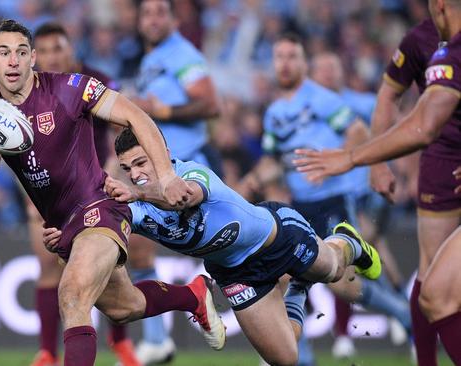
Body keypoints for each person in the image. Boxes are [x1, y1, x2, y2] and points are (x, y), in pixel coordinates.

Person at [0, 18, 225, 366]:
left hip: (100, 206)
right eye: (4, 53)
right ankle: (192, 295)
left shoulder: (70, 88)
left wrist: (166, 176)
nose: (13, 61)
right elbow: (2, 154)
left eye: (21, 52)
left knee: (71, 295)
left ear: (33, 58)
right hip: (63, 225)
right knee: (123, 306)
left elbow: (137, 117)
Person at [43, 127, 383, 366]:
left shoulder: (189, 172)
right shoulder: (135, 207)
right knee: (285, 356)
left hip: (277, 237)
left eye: (142, 162)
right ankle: (298, 286)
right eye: (129, 168)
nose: (136, 174)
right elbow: (103, 230)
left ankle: (348, 240)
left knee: (334, 269)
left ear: (162, 153)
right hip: (236, 272)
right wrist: (68, 238)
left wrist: (139, 192)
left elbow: (183, 198)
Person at [294, 0, 461, 362]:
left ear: (440, 6)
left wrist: (355, 157)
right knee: (428, 286)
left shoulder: (451, 55)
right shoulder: (421, 41)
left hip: (357, 189)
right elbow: (395, 100)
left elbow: (422, 125)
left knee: (382, 268)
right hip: (442, 164)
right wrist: (378, 164)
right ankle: (421, 352)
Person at [239, 34, 407, 365]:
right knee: (289, 274)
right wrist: (252, 180)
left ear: (303, 64)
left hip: (333, 201)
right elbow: (274, 159)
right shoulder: (273, 112)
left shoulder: (322, 99)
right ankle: (299, 354)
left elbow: (358, 132)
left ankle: (403, 313)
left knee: (341, 282)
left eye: (292, 56)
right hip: (299, 205)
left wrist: (338, 161)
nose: (285, 63)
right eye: (279, 57)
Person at [29, 22, 139, 366]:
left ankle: (120, 343)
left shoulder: (94, 82)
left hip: (95, 188)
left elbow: (125, 125)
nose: (51, 57)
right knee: (48, 266)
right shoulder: (27, 91)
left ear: (71, 50)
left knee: (109, 271)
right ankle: (47, 352)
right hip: (50, 194)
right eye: (43, 51)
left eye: (57, 49)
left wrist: (114, 166)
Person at [128, 1, 223, 361]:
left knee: (235, 252)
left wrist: (161, 111)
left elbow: (211, 104)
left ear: (173, 18)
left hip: (191, 168)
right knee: (135, 243)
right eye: (146, 13)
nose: (152, 20)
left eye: (159, 12)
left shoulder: (182, 53)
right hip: (156, 170)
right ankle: (156, 339)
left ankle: (287, 344)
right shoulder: (150, 59)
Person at [310, 52, 412, 356]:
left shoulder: (363, 103)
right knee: (365, 252)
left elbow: (396, 129)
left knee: (353, 248)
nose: (328, 74)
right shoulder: (310, 106)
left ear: (342, 72)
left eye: (333, 68)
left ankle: (390, 314)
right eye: (323, 69)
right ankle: (400, 306)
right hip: (330, 195)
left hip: (364, 191)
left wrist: (399, 169)